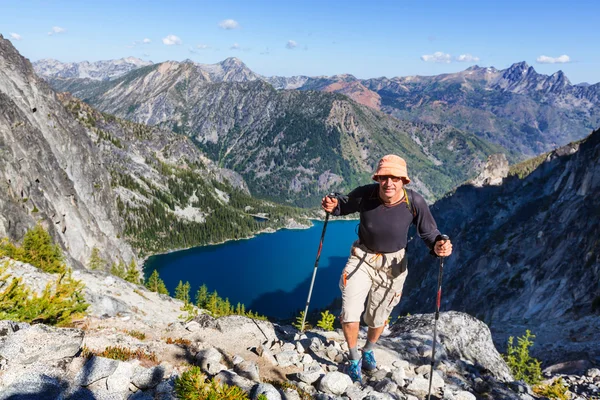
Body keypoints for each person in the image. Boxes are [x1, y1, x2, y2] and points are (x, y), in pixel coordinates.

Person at [321, 154, 452, 383]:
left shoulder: (414, 202)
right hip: (362, 257)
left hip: (393, 265)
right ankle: (354, 360)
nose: (389, 182)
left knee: (377, 317)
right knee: (350, 310)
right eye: (384, 177)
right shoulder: (366, 194)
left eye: (394, 177)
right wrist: (333, 206)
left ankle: (368, 350)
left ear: (404, 180)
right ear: (378, 178)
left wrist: (439, 245)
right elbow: (343, 206)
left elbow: (429, 233)